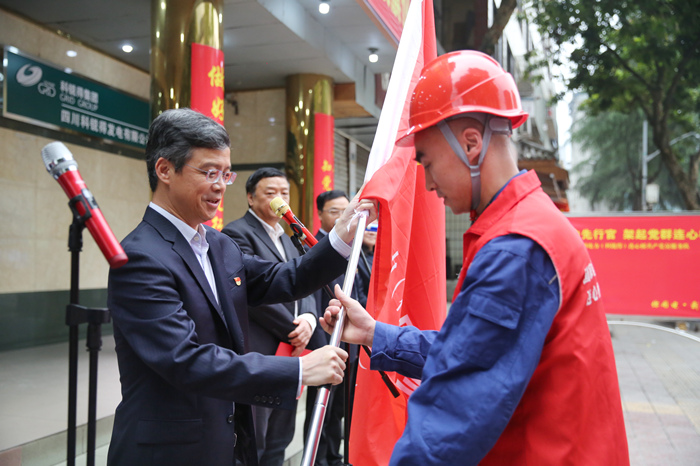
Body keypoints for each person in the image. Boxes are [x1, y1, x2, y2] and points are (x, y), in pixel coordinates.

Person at [321, 51, 629, 465]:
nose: (428, 184)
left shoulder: (515, 248)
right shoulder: (534, 224)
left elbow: (454, 409)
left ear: (470, 143)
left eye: (427, 162)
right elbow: (469, 351)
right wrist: (377, 333)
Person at [106, 108, 375, 466]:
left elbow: (288, 278)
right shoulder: (140, 257)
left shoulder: (217, 245)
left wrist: (341, 235)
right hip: (171, 450)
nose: (220, 185)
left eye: (226, 173)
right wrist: (299, 370)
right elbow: (184, 360)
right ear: (165, 170)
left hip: (227, 439)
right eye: (209, 172)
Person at [221, 167, 321, 465]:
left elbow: (305, 282)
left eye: (284, 193)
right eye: (270, 193)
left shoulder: (290, 238)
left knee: (281, 435)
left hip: (292, 350)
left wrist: (309, 320)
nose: (279, 198)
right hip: (262, 348)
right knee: (257, 436)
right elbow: (249, 293)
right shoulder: (236, 233)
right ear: (251, 198)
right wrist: (293, 329)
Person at [303, 190, 362, 466]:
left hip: (349, 343)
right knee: (321, 408)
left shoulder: (352, 244)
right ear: (320, 214)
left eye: (344, 210)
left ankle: (334, 458)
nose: (341, 216)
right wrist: (320, 345)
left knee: (340, 408)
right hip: (324, 342)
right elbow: (310, 300)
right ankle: (318, 459)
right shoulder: (311, 246)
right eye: (334, 211)